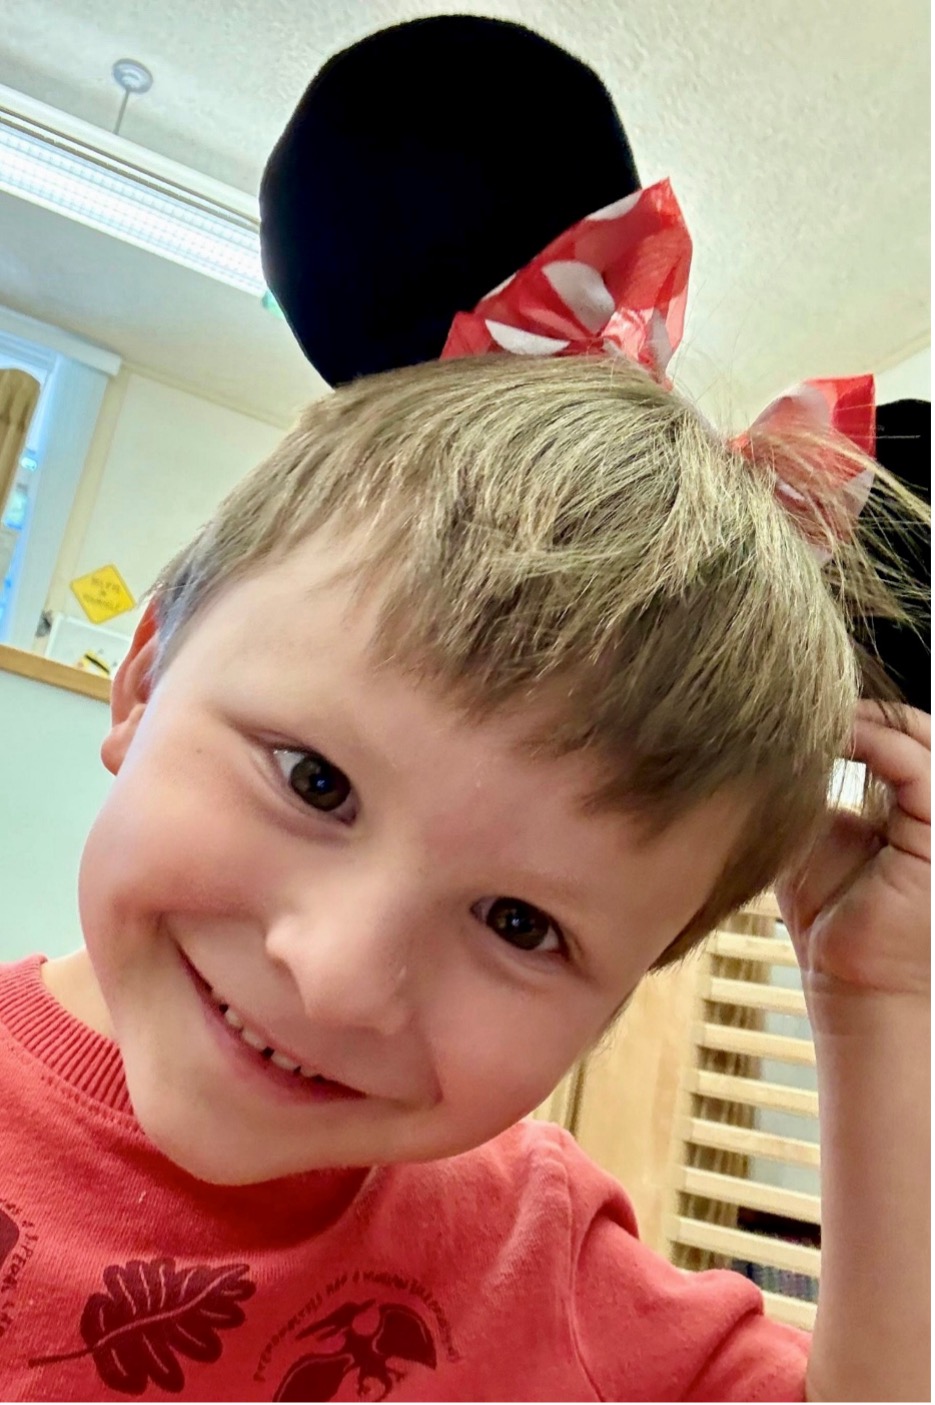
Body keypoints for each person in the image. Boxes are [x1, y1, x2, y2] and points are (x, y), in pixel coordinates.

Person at [0, 192, 929, 1398]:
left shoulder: (542, 1265)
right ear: (142, 674)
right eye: (315, 780)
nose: (334, 976)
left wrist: (879, 1011)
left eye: (518, 923)